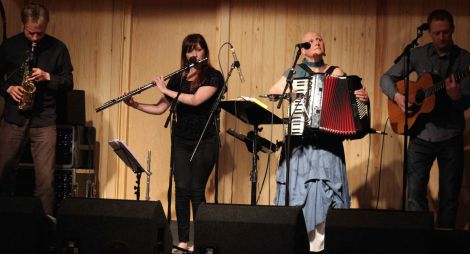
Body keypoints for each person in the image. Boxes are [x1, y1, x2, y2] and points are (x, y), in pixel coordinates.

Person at [270, 32, 369, 252]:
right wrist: (293, 90)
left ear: (324, 48)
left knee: (326, 204)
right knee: (295, 200)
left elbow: (355, 108)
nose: (316, 42)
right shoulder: (294, 72)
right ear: (303, 49)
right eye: (310, 41)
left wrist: (362, 99)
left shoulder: (336, 73)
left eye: (319, 40)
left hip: (327, 148)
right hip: (299, 148)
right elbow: (273, 92)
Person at [124, 33, 224, 251]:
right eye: (189, 50)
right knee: (181, 189)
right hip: (181, 140)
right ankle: (182, 241)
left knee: (197, 190)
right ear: (185, 54)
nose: (194, 54)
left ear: (204, 52)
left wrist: (163, 88)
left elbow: (196, 100)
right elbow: (161, 108)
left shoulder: (214, 77)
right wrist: (135, 104)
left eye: (198, 49)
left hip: (205, 140)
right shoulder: (178, 79)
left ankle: (202, 241)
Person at [380, 9, 470, 229]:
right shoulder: (418, 54)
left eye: (446, 32)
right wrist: (398, 97)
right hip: (420, 135)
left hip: (450, 136)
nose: (442, 37)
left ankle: (444, 243)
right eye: (437, 33)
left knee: (449, 198)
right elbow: (386, 78)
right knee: (414, 195)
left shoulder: (464, 61)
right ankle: (418, 240)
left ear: (452, 31)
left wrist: (456, 96)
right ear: (429, 32)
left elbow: (465, 103)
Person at [0, 3, 74, 218]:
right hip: (14, 117)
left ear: (46, 26)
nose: (34, 38)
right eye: (30, 33)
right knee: (3, 174)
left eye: (39, 33)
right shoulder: (10, 46)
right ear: (23, 25)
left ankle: (45, 230)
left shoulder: (58, 48)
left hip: (44, 119)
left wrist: (48, 77)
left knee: (45, 181)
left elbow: (68, 82)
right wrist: (7, 88)